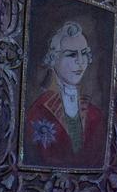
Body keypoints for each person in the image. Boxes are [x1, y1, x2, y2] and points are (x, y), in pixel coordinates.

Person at [24, 20, 106, 168]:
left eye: (84, 53)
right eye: (71, 55)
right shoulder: (38, 111)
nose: (80, 61)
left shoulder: (95, 114)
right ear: (53, 59)